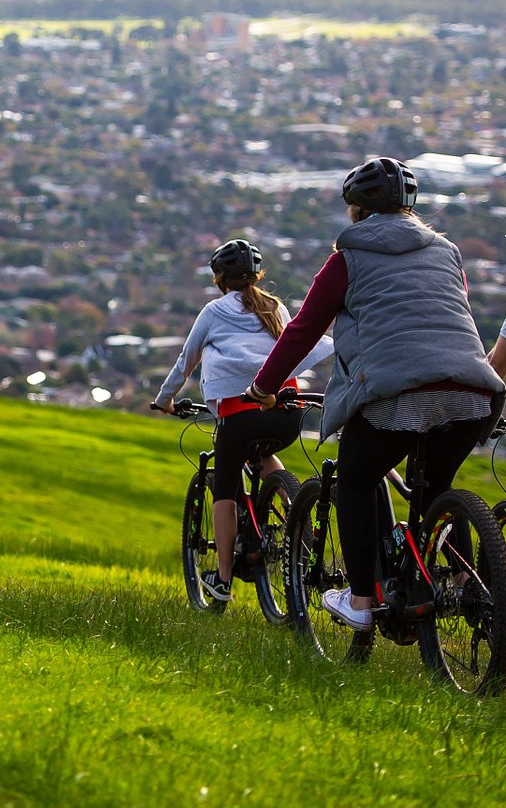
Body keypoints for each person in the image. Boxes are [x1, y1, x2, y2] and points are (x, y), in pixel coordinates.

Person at [247, 157, 505, 630]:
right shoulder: (447, 251)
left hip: (397, 395)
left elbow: (303, 330)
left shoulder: (346, 261)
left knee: (356, 479)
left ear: (356, 210)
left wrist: (264, 387)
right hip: (475, 392)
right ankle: (466, 590)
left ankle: (362, 601)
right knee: (436, 489)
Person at [153, 238, 334, 602]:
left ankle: (222, 578)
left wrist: (165, 401)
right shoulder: (274, 306)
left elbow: (186, 362)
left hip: (240, 414)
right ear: (256, 275)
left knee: (224, 483)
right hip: (286, 413)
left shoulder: (213, 311)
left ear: (220, 278)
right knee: (265, 454)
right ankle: (294, 515)